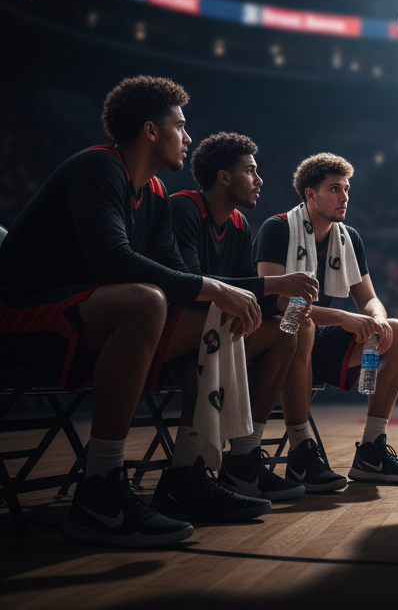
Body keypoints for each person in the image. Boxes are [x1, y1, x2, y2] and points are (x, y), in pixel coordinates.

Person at [0, 77, 314, 547]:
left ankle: (186, 472)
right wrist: (220, 287)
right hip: (20, 313)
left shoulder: (156, 195)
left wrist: (223, 295)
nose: (188, 137)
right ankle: (99, 488)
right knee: (149, 299)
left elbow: (183, 284)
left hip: (85, 314)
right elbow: (112, 261)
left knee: (215, 314)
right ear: (150, 131)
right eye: (180, 126)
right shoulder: (97, 167)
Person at [256, 153, 398, 485]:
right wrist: (343, 318)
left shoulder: (348, 237)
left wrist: (377, 320)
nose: (344, 197)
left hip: (315, 341)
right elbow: (273, 302)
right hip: (274, 343)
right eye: (334, 189)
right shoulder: (277, 228)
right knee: (301, 326)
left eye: (346, 189)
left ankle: (372, 451)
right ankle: (301, 453)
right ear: (310, 194)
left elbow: (370, 298)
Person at [170, 131, 310, 502]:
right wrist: (276, 282)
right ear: (224, 177)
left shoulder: (237, 224)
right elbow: (190, 286)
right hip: (169, 335)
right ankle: (184, 474)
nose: (260, 180)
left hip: (209, 334)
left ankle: (243, 460)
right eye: (250, 170)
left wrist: (286, 300)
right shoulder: (183, 208)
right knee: (207, 343)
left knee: (286, 331)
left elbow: (246, 294)